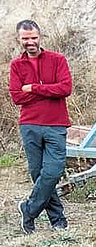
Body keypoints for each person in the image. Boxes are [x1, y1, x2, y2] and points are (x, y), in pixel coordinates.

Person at [8, 20, 73, 234]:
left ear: (40, 37)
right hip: (29, 125)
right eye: (25, 38)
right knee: (38, 174)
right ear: (19, 39)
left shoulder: (57, 59)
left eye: (33, 38)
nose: (30, 42)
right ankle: (58, 219)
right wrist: (47, 90)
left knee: (52, 171)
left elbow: (65, 88)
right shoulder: (17, 66)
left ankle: (29, 209)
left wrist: (34, 88)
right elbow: (17, 97)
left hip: (56, 125)